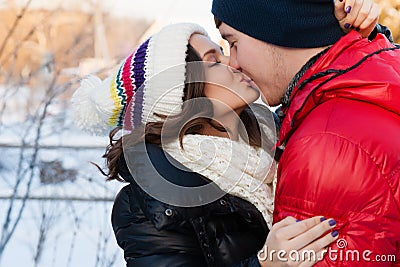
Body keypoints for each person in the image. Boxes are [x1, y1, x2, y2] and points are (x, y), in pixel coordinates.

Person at [71, 23, 339, 267]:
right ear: (184, 93)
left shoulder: (286, 132)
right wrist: (264, 264)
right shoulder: (148, 205)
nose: (233, 61)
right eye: (213, 60)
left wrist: (360, 30)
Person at [212, 0, 400, 266]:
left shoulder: (321, 146)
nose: (233, 63)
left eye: (233, 42)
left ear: (273, 28)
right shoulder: (376, 80)